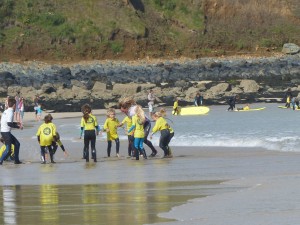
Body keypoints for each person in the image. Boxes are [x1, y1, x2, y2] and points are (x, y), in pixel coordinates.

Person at [0, 97, 23, 165]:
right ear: (14, 105)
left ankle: (16, 160)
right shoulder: (10, 112)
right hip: (5, 132)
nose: (16, 106)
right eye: (15, 104)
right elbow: (9, 123)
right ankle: (0, 161)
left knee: (17, 144)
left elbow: (8, 122)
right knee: (8, 150)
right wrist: (18, 127)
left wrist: (16, 123)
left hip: (4, 131)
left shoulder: (6, 110)